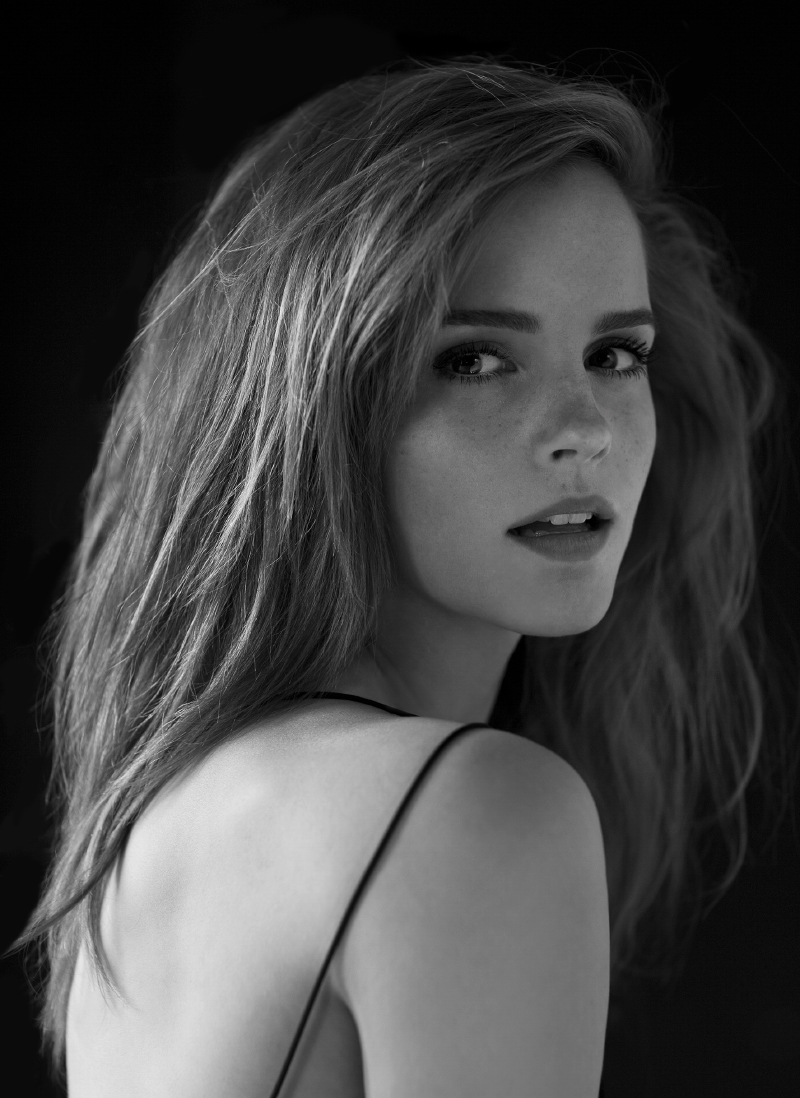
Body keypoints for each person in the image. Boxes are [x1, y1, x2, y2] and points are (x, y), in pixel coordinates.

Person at [9, 55, 797, 1096]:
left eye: (615, 354)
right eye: (473, 360)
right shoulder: (472, 807)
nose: (585, 429)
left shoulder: (160, 821)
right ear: (308, 403)